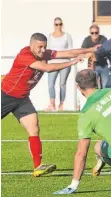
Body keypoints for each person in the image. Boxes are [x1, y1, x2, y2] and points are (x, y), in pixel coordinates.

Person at [1, 33, 98, 177]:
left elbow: (68, 52)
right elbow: (47, 68)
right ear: (31, 45)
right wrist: (72, 62)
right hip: (6, 95)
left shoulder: (44, 53)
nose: (43, 50)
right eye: (40, 47)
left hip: (22, 99)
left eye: (45, 47)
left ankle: (38, 167)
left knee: (34, 127)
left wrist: (90, 49)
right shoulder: (25, 54)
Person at [46, 17, 73, 111]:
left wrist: (70, 61)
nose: (58, 26)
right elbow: (47, 50)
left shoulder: (67, 36)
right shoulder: (50, 36)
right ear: (54, 25)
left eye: (60, 24)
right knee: (50, 84)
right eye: (56, 24)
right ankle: (52, 104)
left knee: (62, 84)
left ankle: (61, 104)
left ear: (62, 25)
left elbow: (70, 50)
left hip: (64, 63)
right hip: (52, 63)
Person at [81, 24, 109, 88]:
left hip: (103, 65)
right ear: (90, 33)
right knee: (93, 85)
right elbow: (82, 52)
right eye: (92, 33)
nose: (94, 34)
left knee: (105, 85)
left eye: (96, 33)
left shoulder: (103, 39)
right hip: (92, 65)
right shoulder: (87, 40)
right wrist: (92, 53)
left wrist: (93, 53)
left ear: (99, 32)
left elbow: (107, 51)